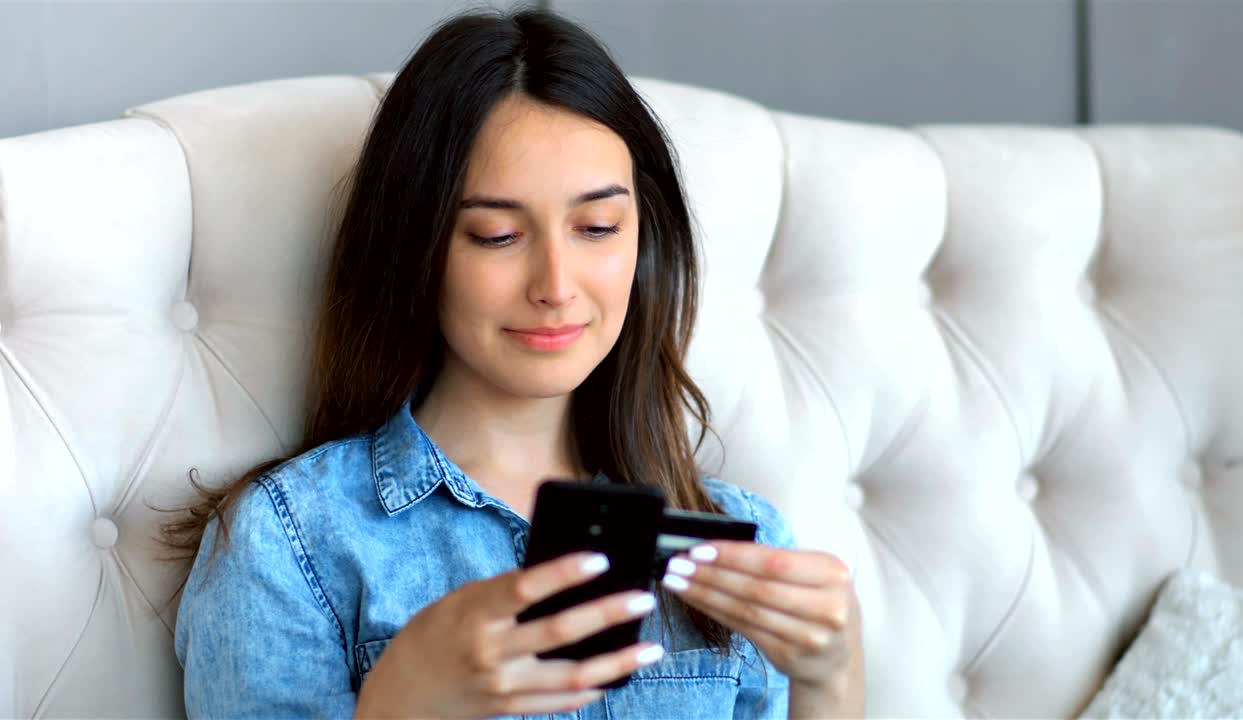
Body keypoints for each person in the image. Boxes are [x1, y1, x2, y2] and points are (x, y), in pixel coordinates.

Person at [164, 6, 864, 718]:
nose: (556, 286)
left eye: (597, 227)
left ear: (643, 244)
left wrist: (831, 679)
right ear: (418, 247)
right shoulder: (290, 542)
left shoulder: (742, 547)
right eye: (497, 235)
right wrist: (399, 706)